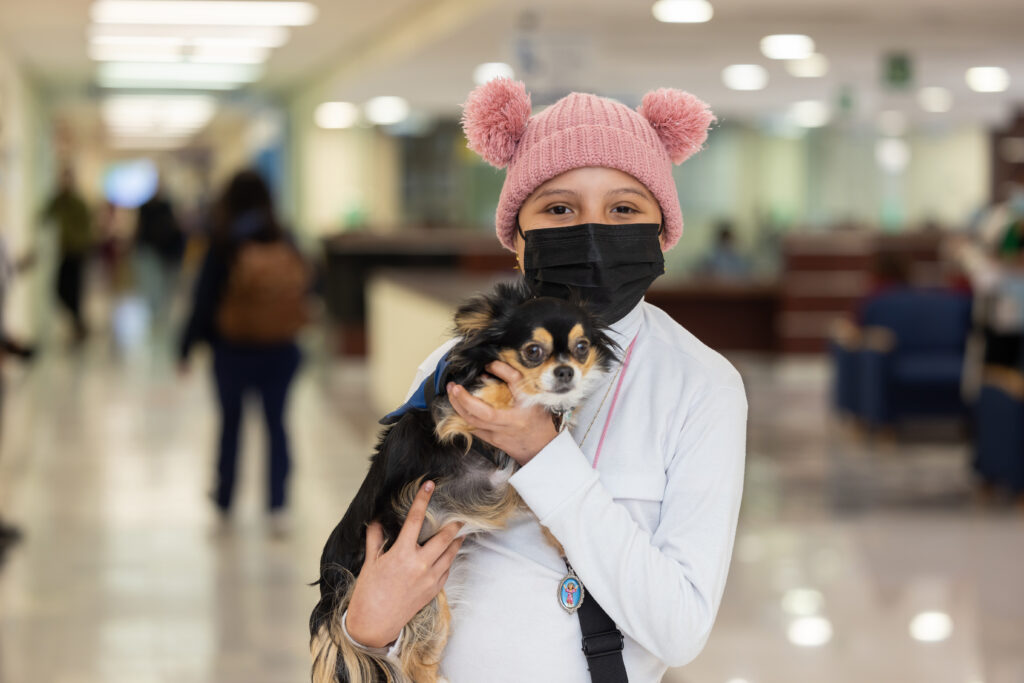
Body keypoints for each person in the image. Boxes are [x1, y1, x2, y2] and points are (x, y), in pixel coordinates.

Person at [338, 79, 747, 682]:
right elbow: (385, 555)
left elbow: (679, 630)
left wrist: (542, 452)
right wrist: (365, 629)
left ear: (661, 232)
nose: (591, 232)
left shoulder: (701, 385)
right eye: (559, 209)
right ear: (519, 241)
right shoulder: (456, 366)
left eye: (624, 209)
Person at [178, 170, 304, 534]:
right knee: (276, 424)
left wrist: (186, 346)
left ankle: (224, 501)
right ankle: (277, 505)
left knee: (230, 425)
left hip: (231, 349)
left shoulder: (222, 241)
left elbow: (203, 297)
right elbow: (312, 282)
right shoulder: (284, 236)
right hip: (281, 348)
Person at [41, 167, 93, 344]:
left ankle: (79, 327)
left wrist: (83, 246)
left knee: (75, 292)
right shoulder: (59, 201)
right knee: (60, 290)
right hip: (65, 252)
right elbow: (43, 215)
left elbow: (88, 228)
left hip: (77, 253)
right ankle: (79, 324)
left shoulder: (79, 203)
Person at [135, 182, 185, 326]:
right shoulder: (146, 208)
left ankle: (159, 312)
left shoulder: (165, 207)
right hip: (149, 250)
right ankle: (155, 311)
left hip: (163, 252)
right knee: (151, 283)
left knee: (161, 284)